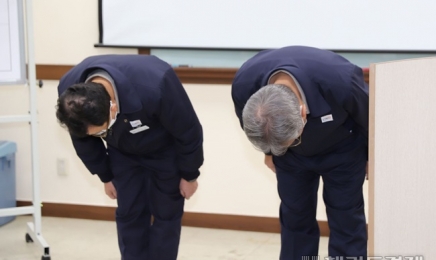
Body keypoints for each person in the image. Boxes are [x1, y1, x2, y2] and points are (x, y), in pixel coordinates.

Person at [56, 54, 204, 260]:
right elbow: (83, 142)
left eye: (100, 132)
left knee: (166, 215)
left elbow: (189, 131)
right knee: (129, 214)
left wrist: (190, 174)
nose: (97, 137)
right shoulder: (71, 98)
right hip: (122, 151)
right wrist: (106, 176)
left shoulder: (156, 83)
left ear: (113, 107)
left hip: (164, 150)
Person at [231, 46, 368, 259]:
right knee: (295, 219)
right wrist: (271, 151)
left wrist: (370, 156)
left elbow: (370, 119)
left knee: (346, 219)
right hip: (291, 159)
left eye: (289, 139)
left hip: (343, 150)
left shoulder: (341, 80)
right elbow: (254, 126)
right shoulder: (244, 85)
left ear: (303, 112)